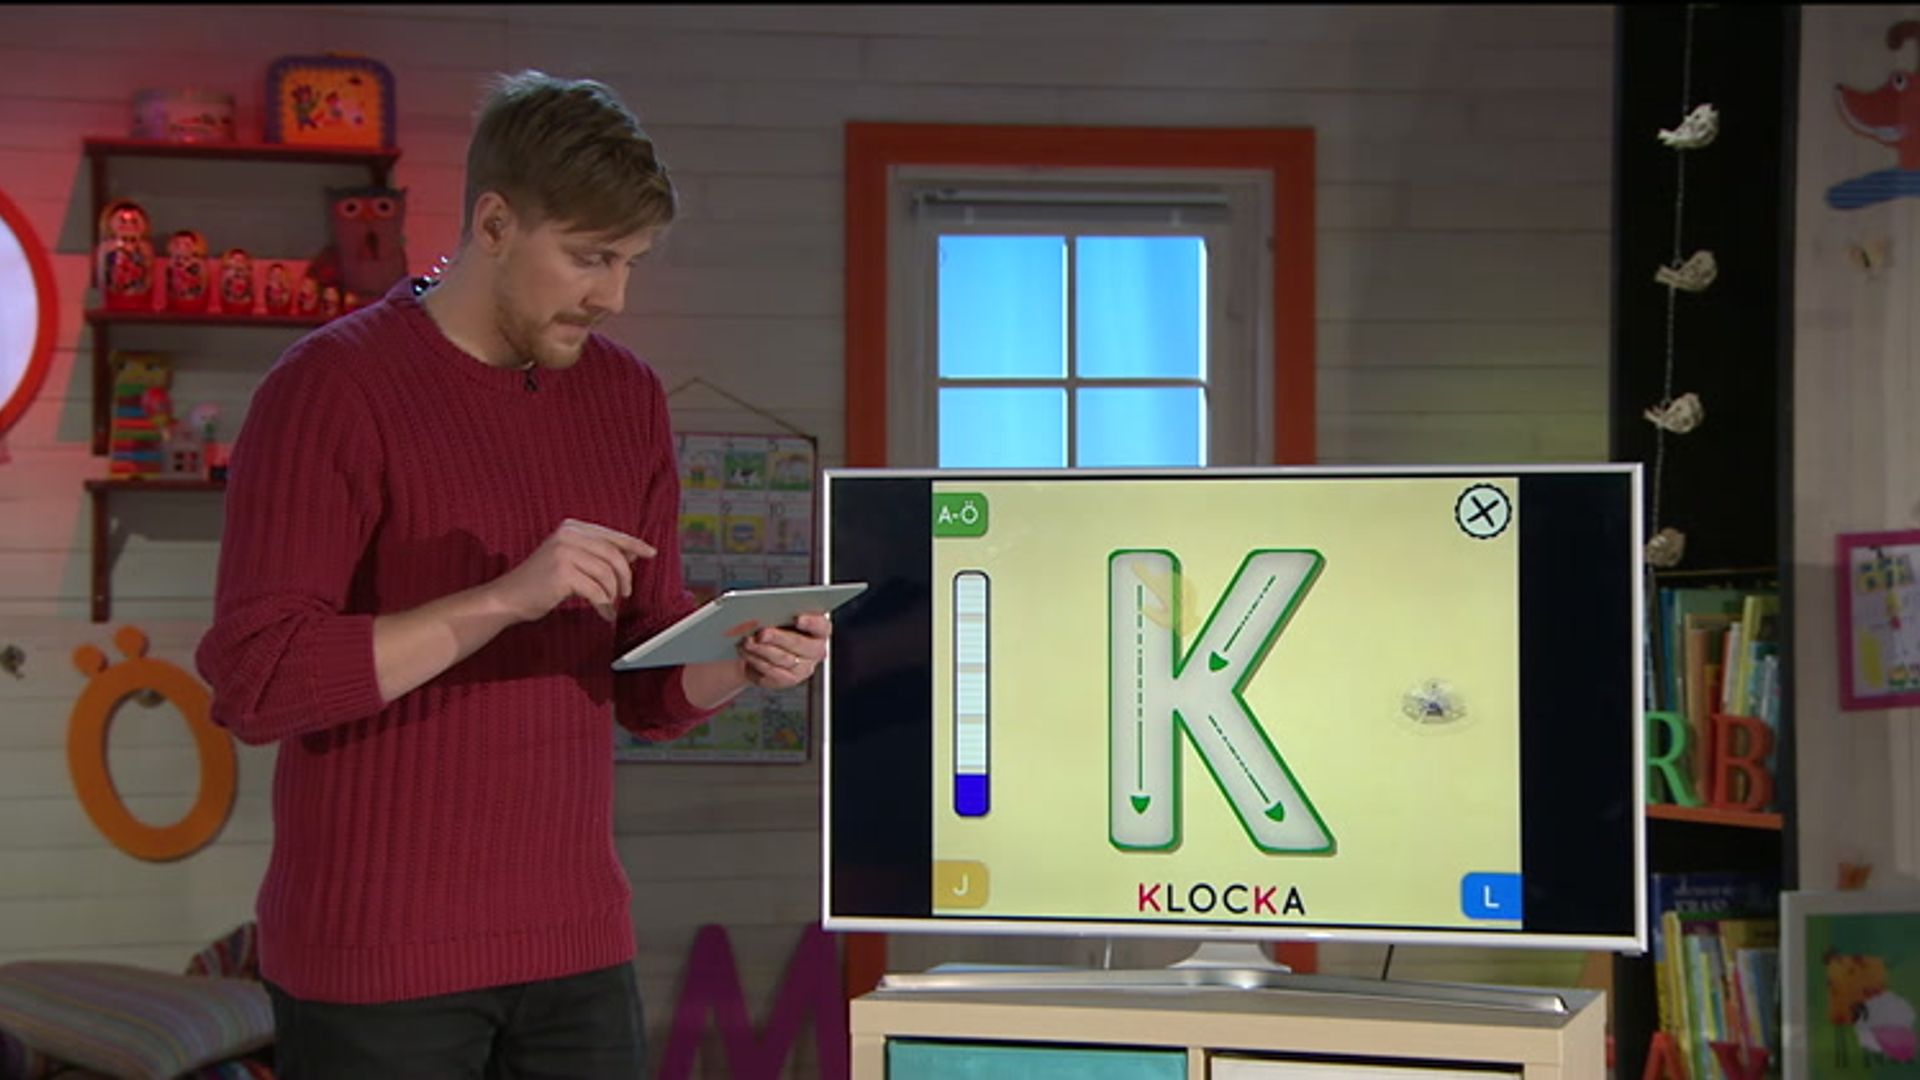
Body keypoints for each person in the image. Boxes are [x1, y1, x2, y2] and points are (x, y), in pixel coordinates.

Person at [195, 70, 831, 1078]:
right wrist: (503, 599)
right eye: (588, 256)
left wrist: (741, 662)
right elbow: (258, 679)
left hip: (575, 950)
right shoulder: (330, 387)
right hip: (375, 960)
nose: (613, 296)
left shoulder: (626, 399)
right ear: (494, 224)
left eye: (630, 261)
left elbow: (646, 683)